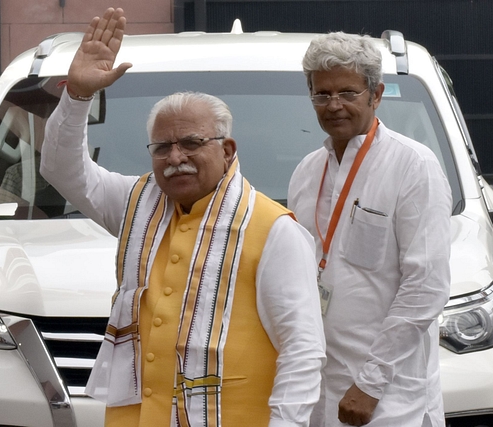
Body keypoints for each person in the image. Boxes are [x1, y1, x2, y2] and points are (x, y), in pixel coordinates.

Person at [40, 7, 326, 427]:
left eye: (192, 143)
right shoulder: (137, 204)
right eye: (162, 147)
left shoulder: (275, 230)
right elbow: (62, 168)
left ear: (228, 150)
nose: (176, 158)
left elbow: (302, 349)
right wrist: (78, 97)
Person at [287, 32, 452, 427]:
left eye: (348, 92)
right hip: (317, 384)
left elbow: (426, 286)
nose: (334, 106)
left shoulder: (414, 166)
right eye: (322, 95)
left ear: (375, 94)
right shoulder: (307, 173)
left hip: (387, 394)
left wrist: (371, 383)